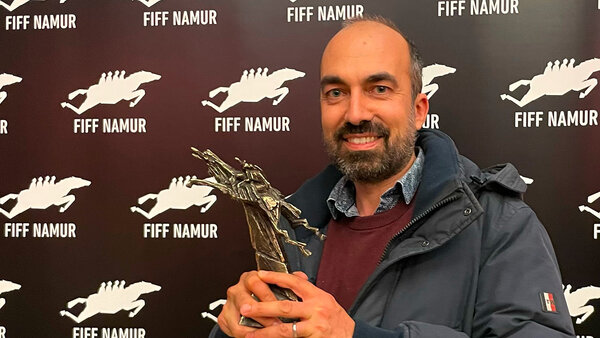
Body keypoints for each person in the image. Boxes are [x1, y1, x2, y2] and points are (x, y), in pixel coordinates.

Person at [209, 16, 575, 338]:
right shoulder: (289, 226)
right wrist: (235, 329)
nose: (355, 113)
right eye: (336, 93)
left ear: (418, 110)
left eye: (378, 89)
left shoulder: (498, 224)